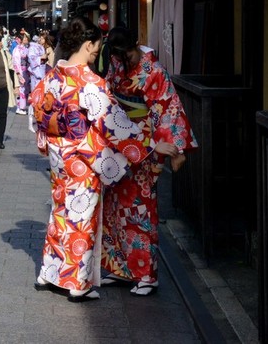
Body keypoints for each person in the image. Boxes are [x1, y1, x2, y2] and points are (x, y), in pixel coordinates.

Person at [30, 17, 179, 302]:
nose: (98, 55)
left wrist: (50, 143)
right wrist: (150, 144)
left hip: (58, 156)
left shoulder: (52, 77)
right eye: (97, 50)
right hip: (82, 159)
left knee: (60, 213)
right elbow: (113, 124)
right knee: (82, 218)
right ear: (87, 45)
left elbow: (39, 116)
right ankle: (77, 283)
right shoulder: (89, 82)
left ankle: (49, 272)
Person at [99, 26, 198, 296]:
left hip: (144, 142)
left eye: (128, 56)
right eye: (119, 58)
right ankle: (120, 269)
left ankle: (146, 273)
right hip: (119, 141)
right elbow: (108, 95)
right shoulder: (116, 63)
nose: (124, 62)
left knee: (140, 208)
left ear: (137, 45)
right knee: (114, 205)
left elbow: (168, 108)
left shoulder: (153, 71)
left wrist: (171, 148)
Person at [11, 30, 31, 115]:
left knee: (25, 89)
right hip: (21, 70)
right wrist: (18, 73)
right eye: (25, 38)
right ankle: (19, 107)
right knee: (21, 89)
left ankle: (22, 107)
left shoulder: (26, 48)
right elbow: (16, 62)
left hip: (26, 71)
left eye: (27, 37)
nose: (26, 39)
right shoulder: (17, 49)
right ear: (21, 39)